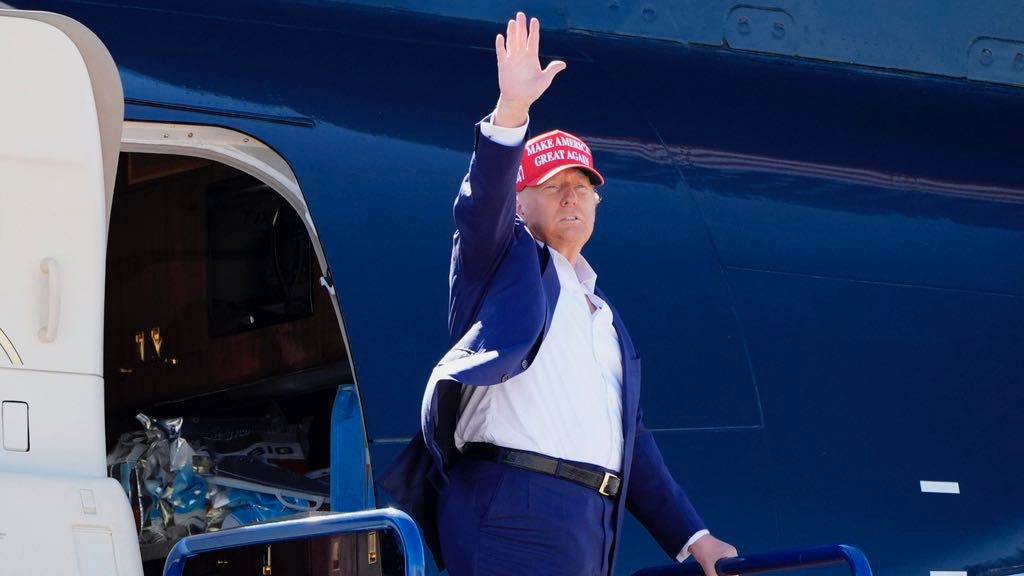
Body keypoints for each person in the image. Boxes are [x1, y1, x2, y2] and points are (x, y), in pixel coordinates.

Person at [381, 12, 738, 576]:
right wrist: (513, 111)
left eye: (582, 187)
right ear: (520, 204)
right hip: (511, 504)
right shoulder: (502, 262)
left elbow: (631, 440)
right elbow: (481, 208)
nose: (571, 197)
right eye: (552, 187)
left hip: (591, 520)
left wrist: (693, 537)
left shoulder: (603, 316)